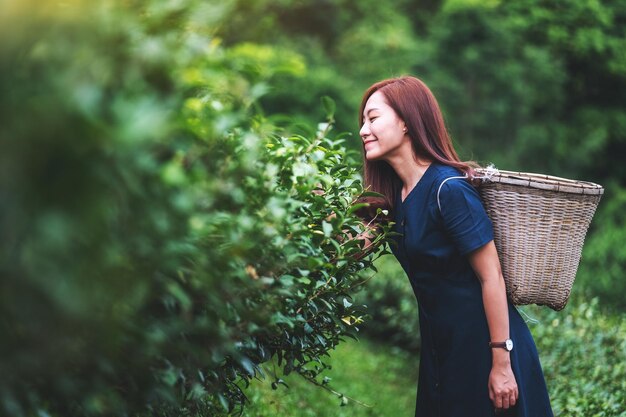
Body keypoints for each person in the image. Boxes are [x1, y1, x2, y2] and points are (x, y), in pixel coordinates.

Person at [358, 76, 553, 417]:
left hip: (488, 349)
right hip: (441, 352)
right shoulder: (393, 198)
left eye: (373, 118)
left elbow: (491, 277)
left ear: (406, 122)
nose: (363, 130)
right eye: (362, 121)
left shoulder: (448, 189)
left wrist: (501, 362)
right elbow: (349, 249)